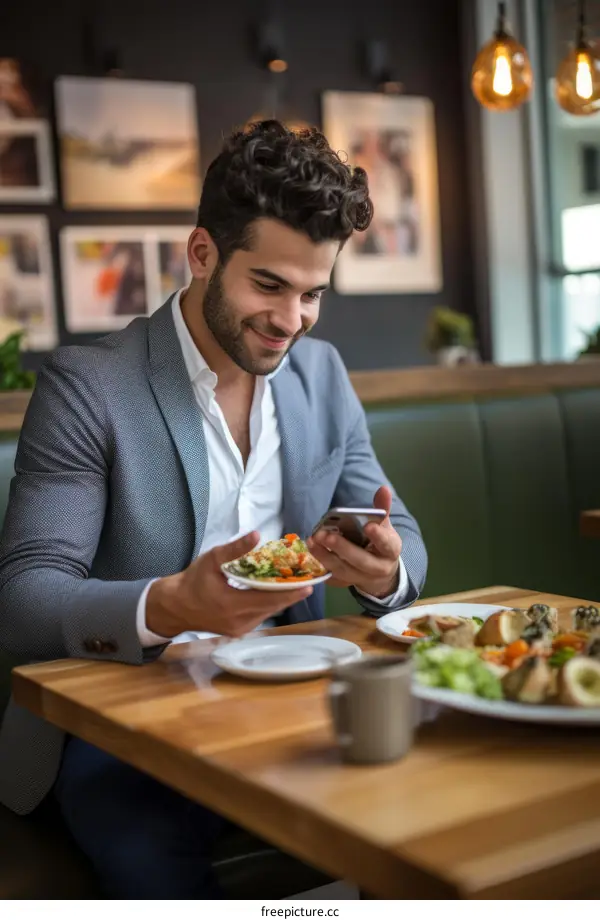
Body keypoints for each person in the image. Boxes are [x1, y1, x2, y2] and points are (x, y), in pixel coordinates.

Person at [0, 120, 427, 897]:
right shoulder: (88, 387)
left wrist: (383, 567)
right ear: (202, 255)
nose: (291, 320)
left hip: (297, 700)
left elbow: (401, 536)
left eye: (312, 295)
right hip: (125, 721)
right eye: (268, 286)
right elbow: (24, 599)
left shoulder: (321, 374)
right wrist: (167, 606)